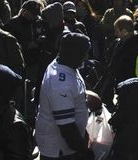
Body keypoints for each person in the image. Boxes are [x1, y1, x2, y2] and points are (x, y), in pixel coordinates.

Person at [35, 32, 94, 160]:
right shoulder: (60, 84)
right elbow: (67, 128)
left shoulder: (64, 64)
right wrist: (84, 151)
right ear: (74, 53)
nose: (86, 57)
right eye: (84, 53)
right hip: (59, 150)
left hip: (63, 146)